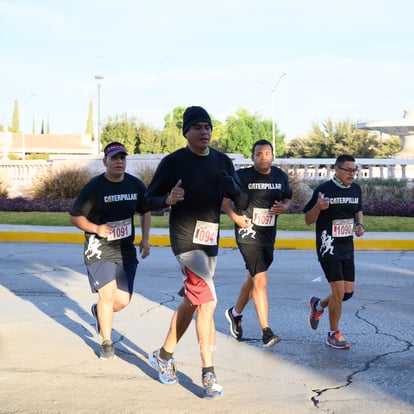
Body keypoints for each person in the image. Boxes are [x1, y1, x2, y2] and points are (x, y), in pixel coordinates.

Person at [144, 106, 248, 399]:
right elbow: (147, 201)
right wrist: (167, 198)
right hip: (185, 240)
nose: (204, 132)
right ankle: (209, 375)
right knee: (209, 302)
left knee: (193, 301)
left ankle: (163, 355)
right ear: (186, 132)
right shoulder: (173, 163)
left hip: (209, 240)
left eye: (208, 127)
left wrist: (234, 189)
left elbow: (242, 200)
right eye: (198, 127)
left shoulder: (222, 161)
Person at [69, 142, 151, 359]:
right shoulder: (95, 188)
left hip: (125, 250)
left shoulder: (135, 185)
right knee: (107, 295)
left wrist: (145, 239)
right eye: (114, 158)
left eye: (122, 158)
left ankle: (99, 312)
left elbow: (145, 211)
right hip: (100, 249)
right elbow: (75, 216)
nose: (119, 162)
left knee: (122, 300)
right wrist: (96, 228)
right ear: (105, 161)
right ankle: (107, 342)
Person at [222, 139, 292, 348]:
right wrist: (235, 218)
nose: (263, 157)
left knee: (254, 278)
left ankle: (234, 314)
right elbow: (224, 201)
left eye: (266, 153)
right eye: (258, 154)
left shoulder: (280, 176)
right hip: (247, 233)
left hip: (268, 234)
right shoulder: (241, 176)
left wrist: (284, 207)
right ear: (252, 157)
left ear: (272, 156)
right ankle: (266, 332)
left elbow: (288, 198)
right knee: (260, 281)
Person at [303, 154, 364, 349]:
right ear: (336, 170)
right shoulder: (323, 189)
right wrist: (318, 207)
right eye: (348, 170)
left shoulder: (355, 189)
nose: (352, 174)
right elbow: (308, 219)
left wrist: (360, 225)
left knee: (347, 293)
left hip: (347, 245)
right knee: (337, 291)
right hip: (327, 245)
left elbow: (358, 210)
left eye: (354, 170)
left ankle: (318, 306)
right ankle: (333, 333)